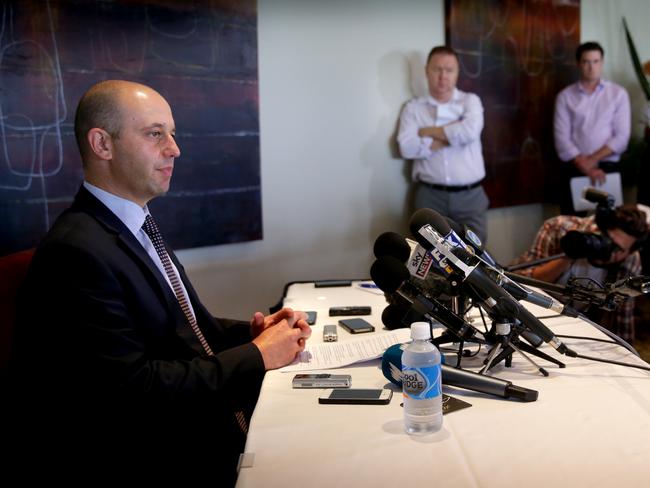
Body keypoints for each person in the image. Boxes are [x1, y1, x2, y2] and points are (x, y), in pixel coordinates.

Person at [8, 80, 311, 483]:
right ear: (102, 144)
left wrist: (254, 335)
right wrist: (257, 355)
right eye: (155, 134)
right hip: (142, 455)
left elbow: (183, 328)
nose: (174, 148)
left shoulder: (134, 222)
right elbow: (133, 390)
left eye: (172, 134)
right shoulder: (76, 252)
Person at [512, 205, 647, 343]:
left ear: (629, 252)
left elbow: (622, 318)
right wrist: (570, 254)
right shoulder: (558, 227)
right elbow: (522, 283)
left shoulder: (630, 261)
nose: (608, 249)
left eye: (617, 249)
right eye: (607, 239)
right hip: (533, 312)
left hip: (580, 324)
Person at [397, 45, 489, 243]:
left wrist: (428, 132)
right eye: (437, 69)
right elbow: (407, 147)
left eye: (449, 70)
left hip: (471, 196)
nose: (443, 76)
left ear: (457, 73)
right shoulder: (413, 108)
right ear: (426, 71)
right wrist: (454, 132)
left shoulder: (470, 101)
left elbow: (470, 132)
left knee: (477, 260)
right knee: (429, 261)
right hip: (429, 196)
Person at [554, 41, 631, 211]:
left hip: (607, 169)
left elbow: (621, 137)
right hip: (574, 168)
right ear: (578, 64)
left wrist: (592, 160)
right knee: (571, 225)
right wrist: (584, 164)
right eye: (586, 62)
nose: (591, 67)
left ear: (602, 63)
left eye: (596, 61)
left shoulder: (618, 94)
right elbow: (561, 138)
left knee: (610, 226)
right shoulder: (565, 96)